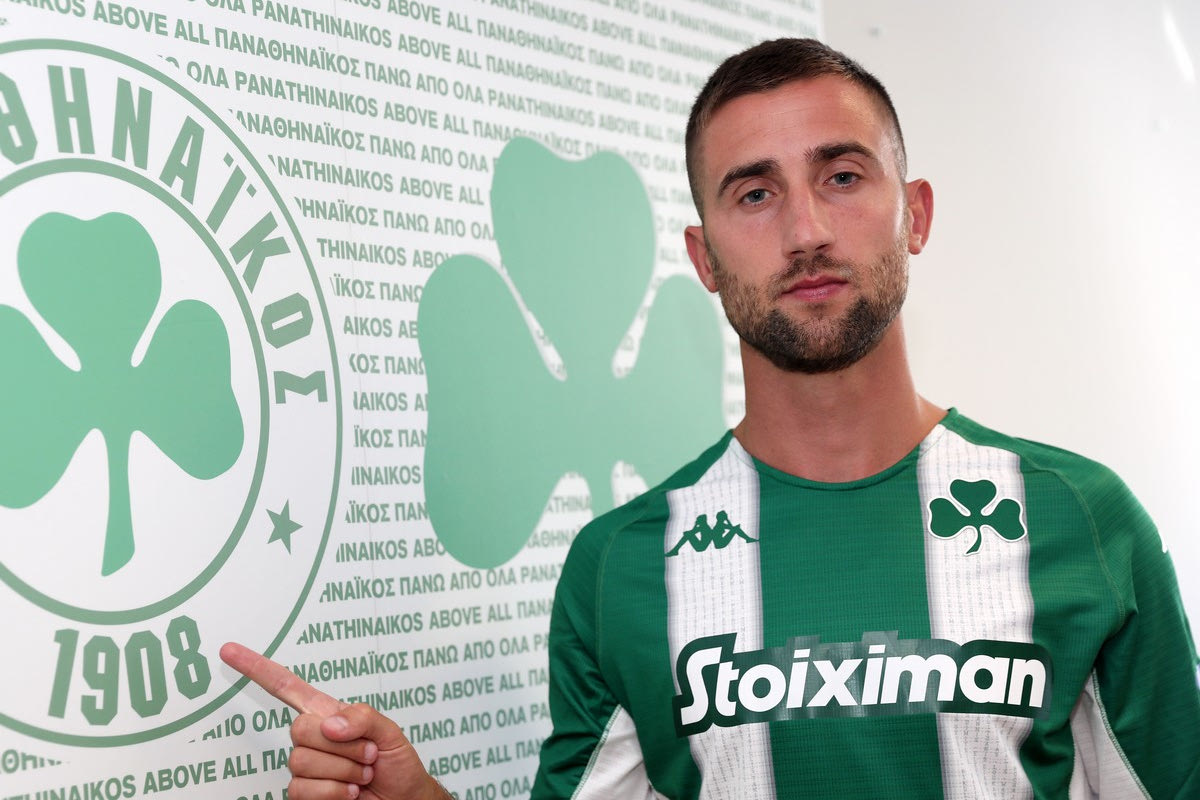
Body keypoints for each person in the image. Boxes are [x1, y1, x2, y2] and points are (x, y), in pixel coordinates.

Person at [222, 38, 1200, 799]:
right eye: (755, 192)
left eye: (843, 175)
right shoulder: (622, 567)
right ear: (704, 257)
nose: (806, 229)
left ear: (916, 213)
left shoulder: (1081, 521)